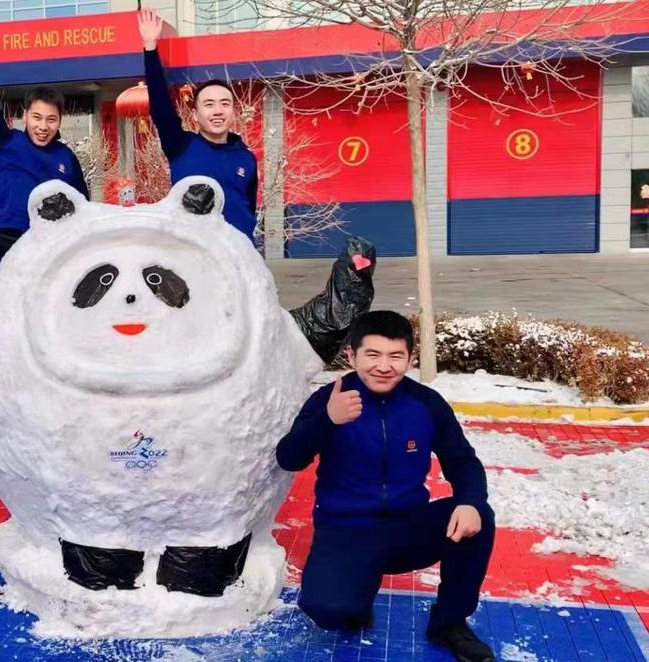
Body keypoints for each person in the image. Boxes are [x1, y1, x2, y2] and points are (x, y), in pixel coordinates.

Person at [276, 311, 496, 662]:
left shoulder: (425, 404)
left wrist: (470, 501)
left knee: (477, 516)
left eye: (395, 356)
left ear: (409, 357)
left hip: (407, 526)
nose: (384, 366)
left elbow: (462, 460)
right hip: (346, 528)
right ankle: (355, 596)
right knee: (327, 611)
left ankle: (449, 622)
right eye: (372, 355)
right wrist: (327, 421)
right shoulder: (329, 401)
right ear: (352, 355)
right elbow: (289, 458)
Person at [0, 0, 90, 268]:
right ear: (24, 116)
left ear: (59, 121)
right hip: (11, 248)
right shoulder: (4, 142)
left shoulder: (65, 157)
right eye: (37, 117)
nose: (43, 126)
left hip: (54, 252)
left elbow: (84, 208)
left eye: (51, 119)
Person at [137, 8, 259, 239]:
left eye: (225, 104)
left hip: (240, 256)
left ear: (233, 112)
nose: (217, 111)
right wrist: (151, 49)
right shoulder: (181, 146)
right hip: (193, 258)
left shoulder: (246, 158)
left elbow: (249, 208)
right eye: (209, 104)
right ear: (195, 115)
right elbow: (161, 106)